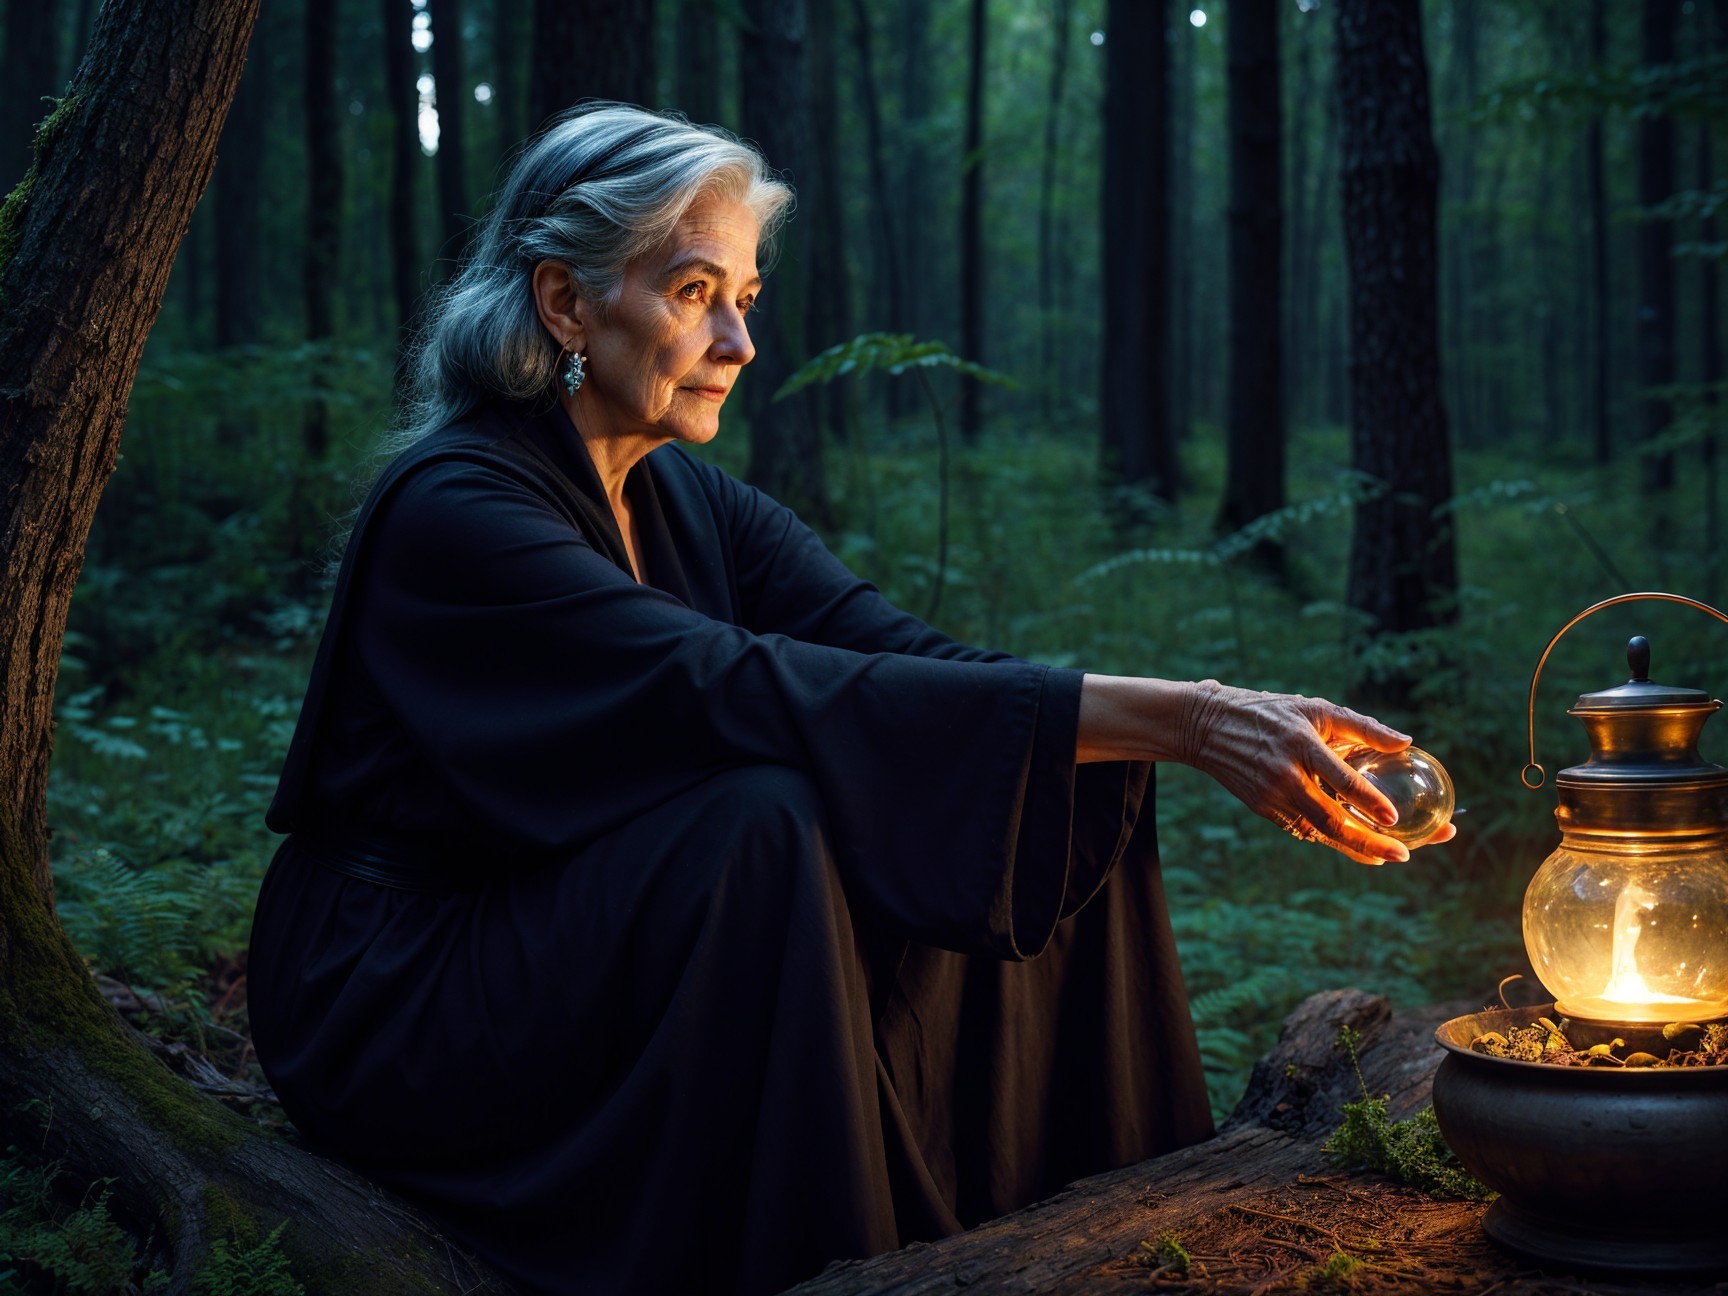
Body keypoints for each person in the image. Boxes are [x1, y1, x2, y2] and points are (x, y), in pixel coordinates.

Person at [248, 103, 1452, 1296]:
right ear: (566, 303)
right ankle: (824, 1256)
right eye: (692, 294)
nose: (739, 344)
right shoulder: (456, 510)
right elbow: (730, 687)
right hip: (400, 986)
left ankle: (1059, 1218)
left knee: (1053, 762)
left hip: (556, 926)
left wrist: (1188, 718)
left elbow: (905, 663)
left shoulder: (690, 502)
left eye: (747, 300)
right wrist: (1178, 717)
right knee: (762, 819)